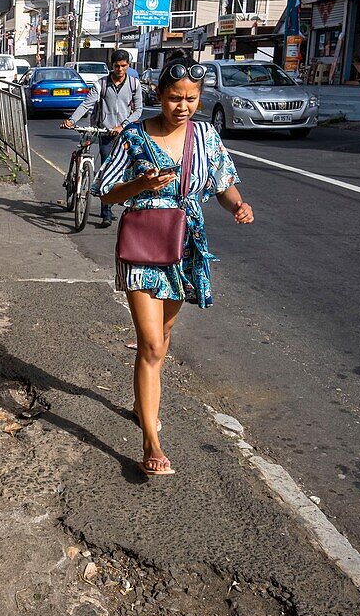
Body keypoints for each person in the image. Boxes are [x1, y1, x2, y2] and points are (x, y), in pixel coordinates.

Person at [91, 55, 254, 477]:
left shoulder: (206, 137)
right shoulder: (133, 136)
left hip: (183, 248)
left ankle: (141, 404)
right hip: (143, 247)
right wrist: (141, 184)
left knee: (162, 338)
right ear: (159, 96)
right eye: (174, 98)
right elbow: (105, 193)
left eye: (191, 99)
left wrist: (237, 205)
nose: (182, 107)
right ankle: (151, 438)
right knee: (150, 344)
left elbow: (222, 183)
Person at [62, 49, 143, 227]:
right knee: (107, 170)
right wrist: (71, 120)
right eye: (117, 66)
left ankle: (112, 204)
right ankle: (106, 212)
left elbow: (138, 110)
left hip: (124, 134)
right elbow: (86, 104)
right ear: (111, 66)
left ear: (128, 66)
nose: (120, 69)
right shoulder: (101, 84)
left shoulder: (134, 84)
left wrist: (122, 125)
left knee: (124, 172)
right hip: (105, 133)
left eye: (124, 66)